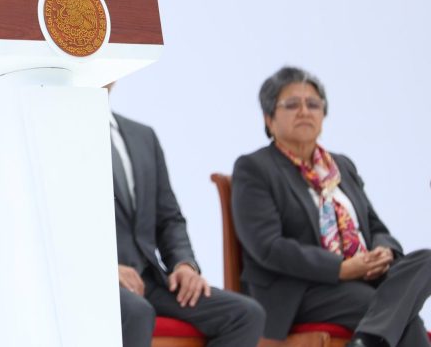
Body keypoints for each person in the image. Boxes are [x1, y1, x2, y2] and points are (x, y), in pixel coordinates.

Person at [233, 66, 431, 347]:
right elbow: (267, 247)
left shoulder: (341, 166)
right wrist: (342, 268)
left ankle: (365, 341)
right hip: (298, 287)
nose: (304, 111)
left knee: (425, 260)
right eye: (292, 104)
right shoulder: (254, 168)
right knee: (397, 313)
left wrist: (382, 252)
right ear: (269, 118)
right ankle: (367, 340)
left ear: (323, 115)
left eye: (313, 104)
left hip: (361, 276)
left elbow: (374, 226)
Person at [109, 88, 265, 346]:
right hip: (99, 281)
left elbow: (169, 218)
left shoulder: (143, 136)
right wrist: (101, 270)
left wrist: (184, 264)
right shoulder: (53, 134)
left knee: (245, 315)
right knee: (137, 313)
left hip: (150, 281)